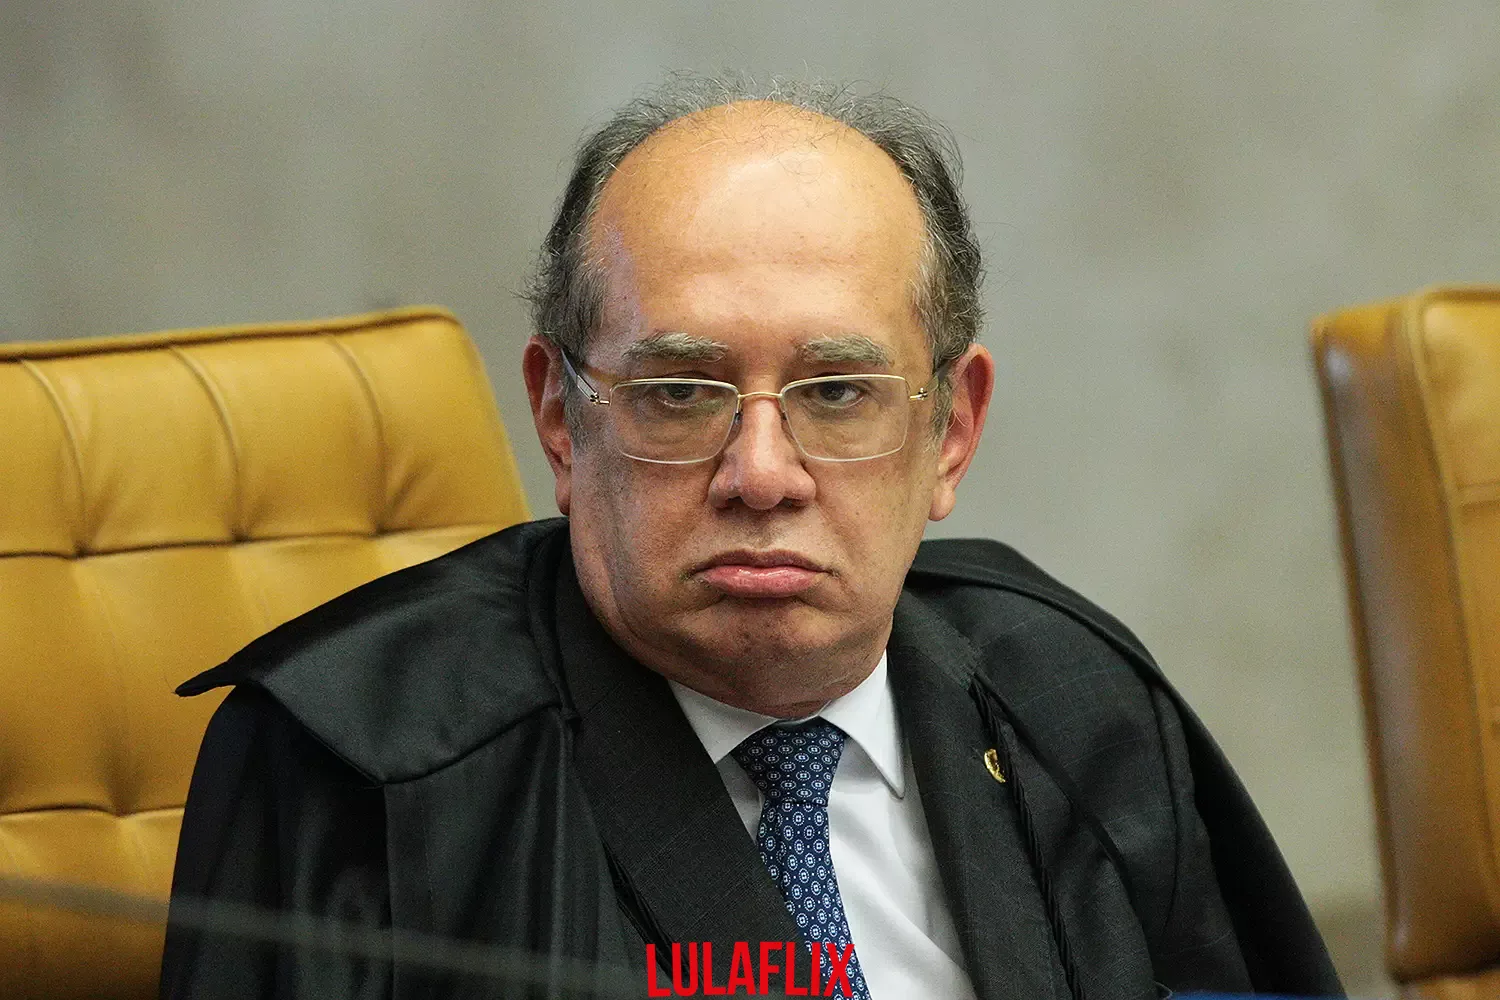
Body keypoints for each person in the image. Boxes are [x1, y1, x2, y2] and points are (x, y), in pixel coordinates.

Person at [161, 75, 1342, 1000]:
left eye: (837, 393)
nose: (763, 475)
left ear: (950, 432)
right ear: (563, 420)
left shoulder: (1074, 698)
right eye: (680, 393)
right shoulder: (351, 766)